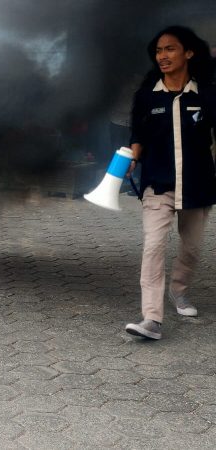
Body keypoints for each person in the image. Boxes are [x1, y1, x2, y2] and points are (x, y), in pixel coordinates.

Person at [124, 26, 216, 340]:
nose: (162, 56)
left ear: (188, 52)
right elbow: (138, 134)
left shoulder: (205, 93)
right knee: (153, 248)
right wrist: (132, 157)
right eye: (159, 51)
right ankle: (151, 318)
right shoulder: (148, 97)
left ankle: (179, 290)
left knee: (191, 249)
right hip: (158, 184)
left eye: (170, 49)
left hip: (198, 184)